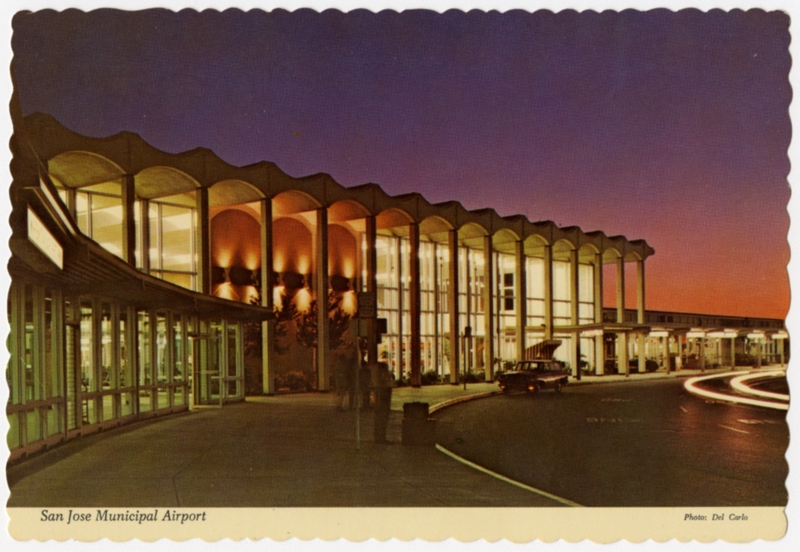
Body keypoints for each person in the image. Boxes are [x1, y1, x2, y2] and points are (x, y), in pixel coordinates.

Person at [372, 361, 393, 443]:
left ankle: (379, 437)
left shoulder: (378, 383)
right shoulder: (382, 385)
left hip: (382, 400)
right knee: (382, 418)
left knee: (380, 418)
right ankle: (380, 437)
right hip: (383, 400)